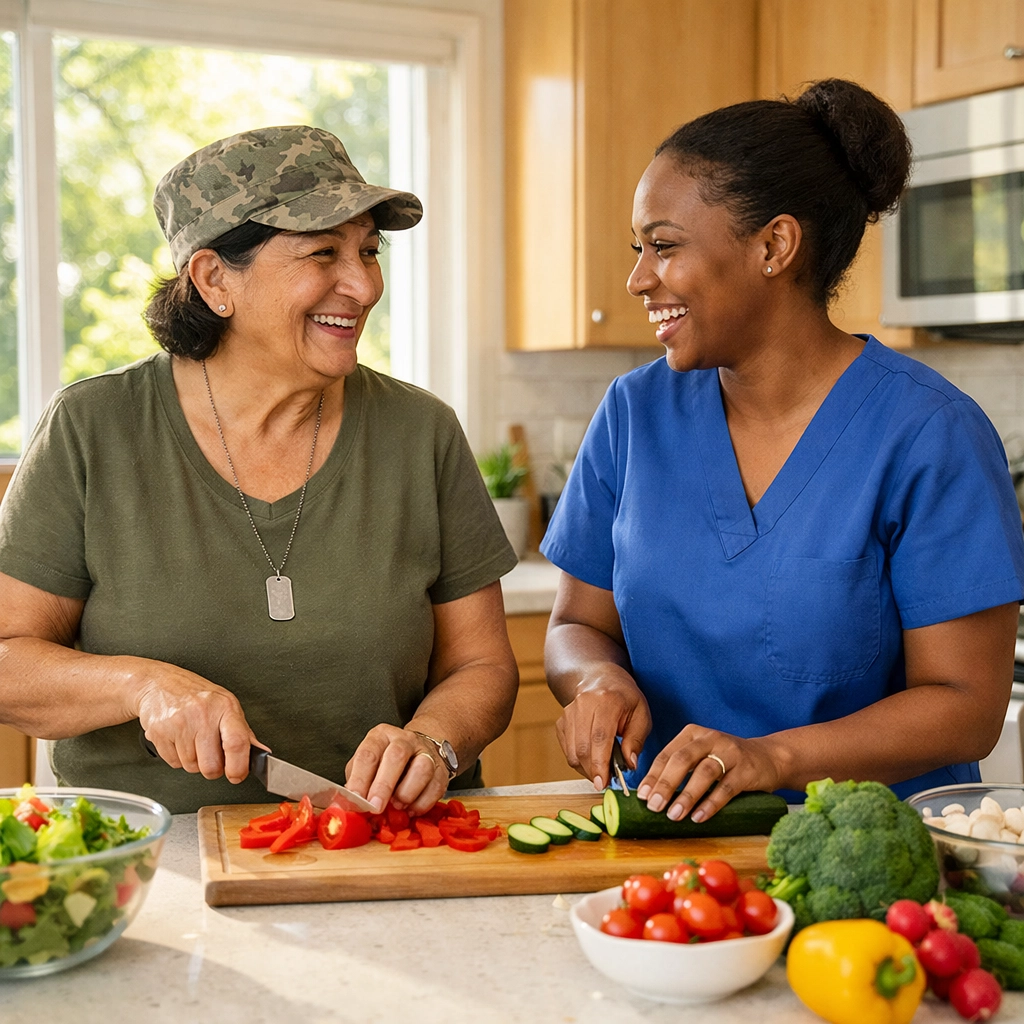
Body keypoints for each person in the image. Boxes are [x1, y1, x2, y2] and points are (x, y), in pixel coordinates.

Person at [540, 79, 1024, 825]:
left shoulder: (930, 434)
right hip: (668, 858)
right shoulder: (633, 414)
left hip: (868, 858)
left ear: (774, 246)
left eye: (664, 247)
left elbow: (965, 707)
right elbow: (577, 627)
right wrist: (597, 682)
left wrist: (773, 758)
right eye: (638, 250)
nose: (638, 279)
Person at [0, 125, 519, 814]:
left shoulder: (421, 433)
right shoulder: (93, 429)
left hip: (390, 842)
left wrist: (434, 740)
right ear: (215, 279)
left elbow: (481, 666)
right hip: (163, 857)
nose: (363, 285)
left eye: (368, 251)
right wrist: (142, 686)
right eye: (323, 253)